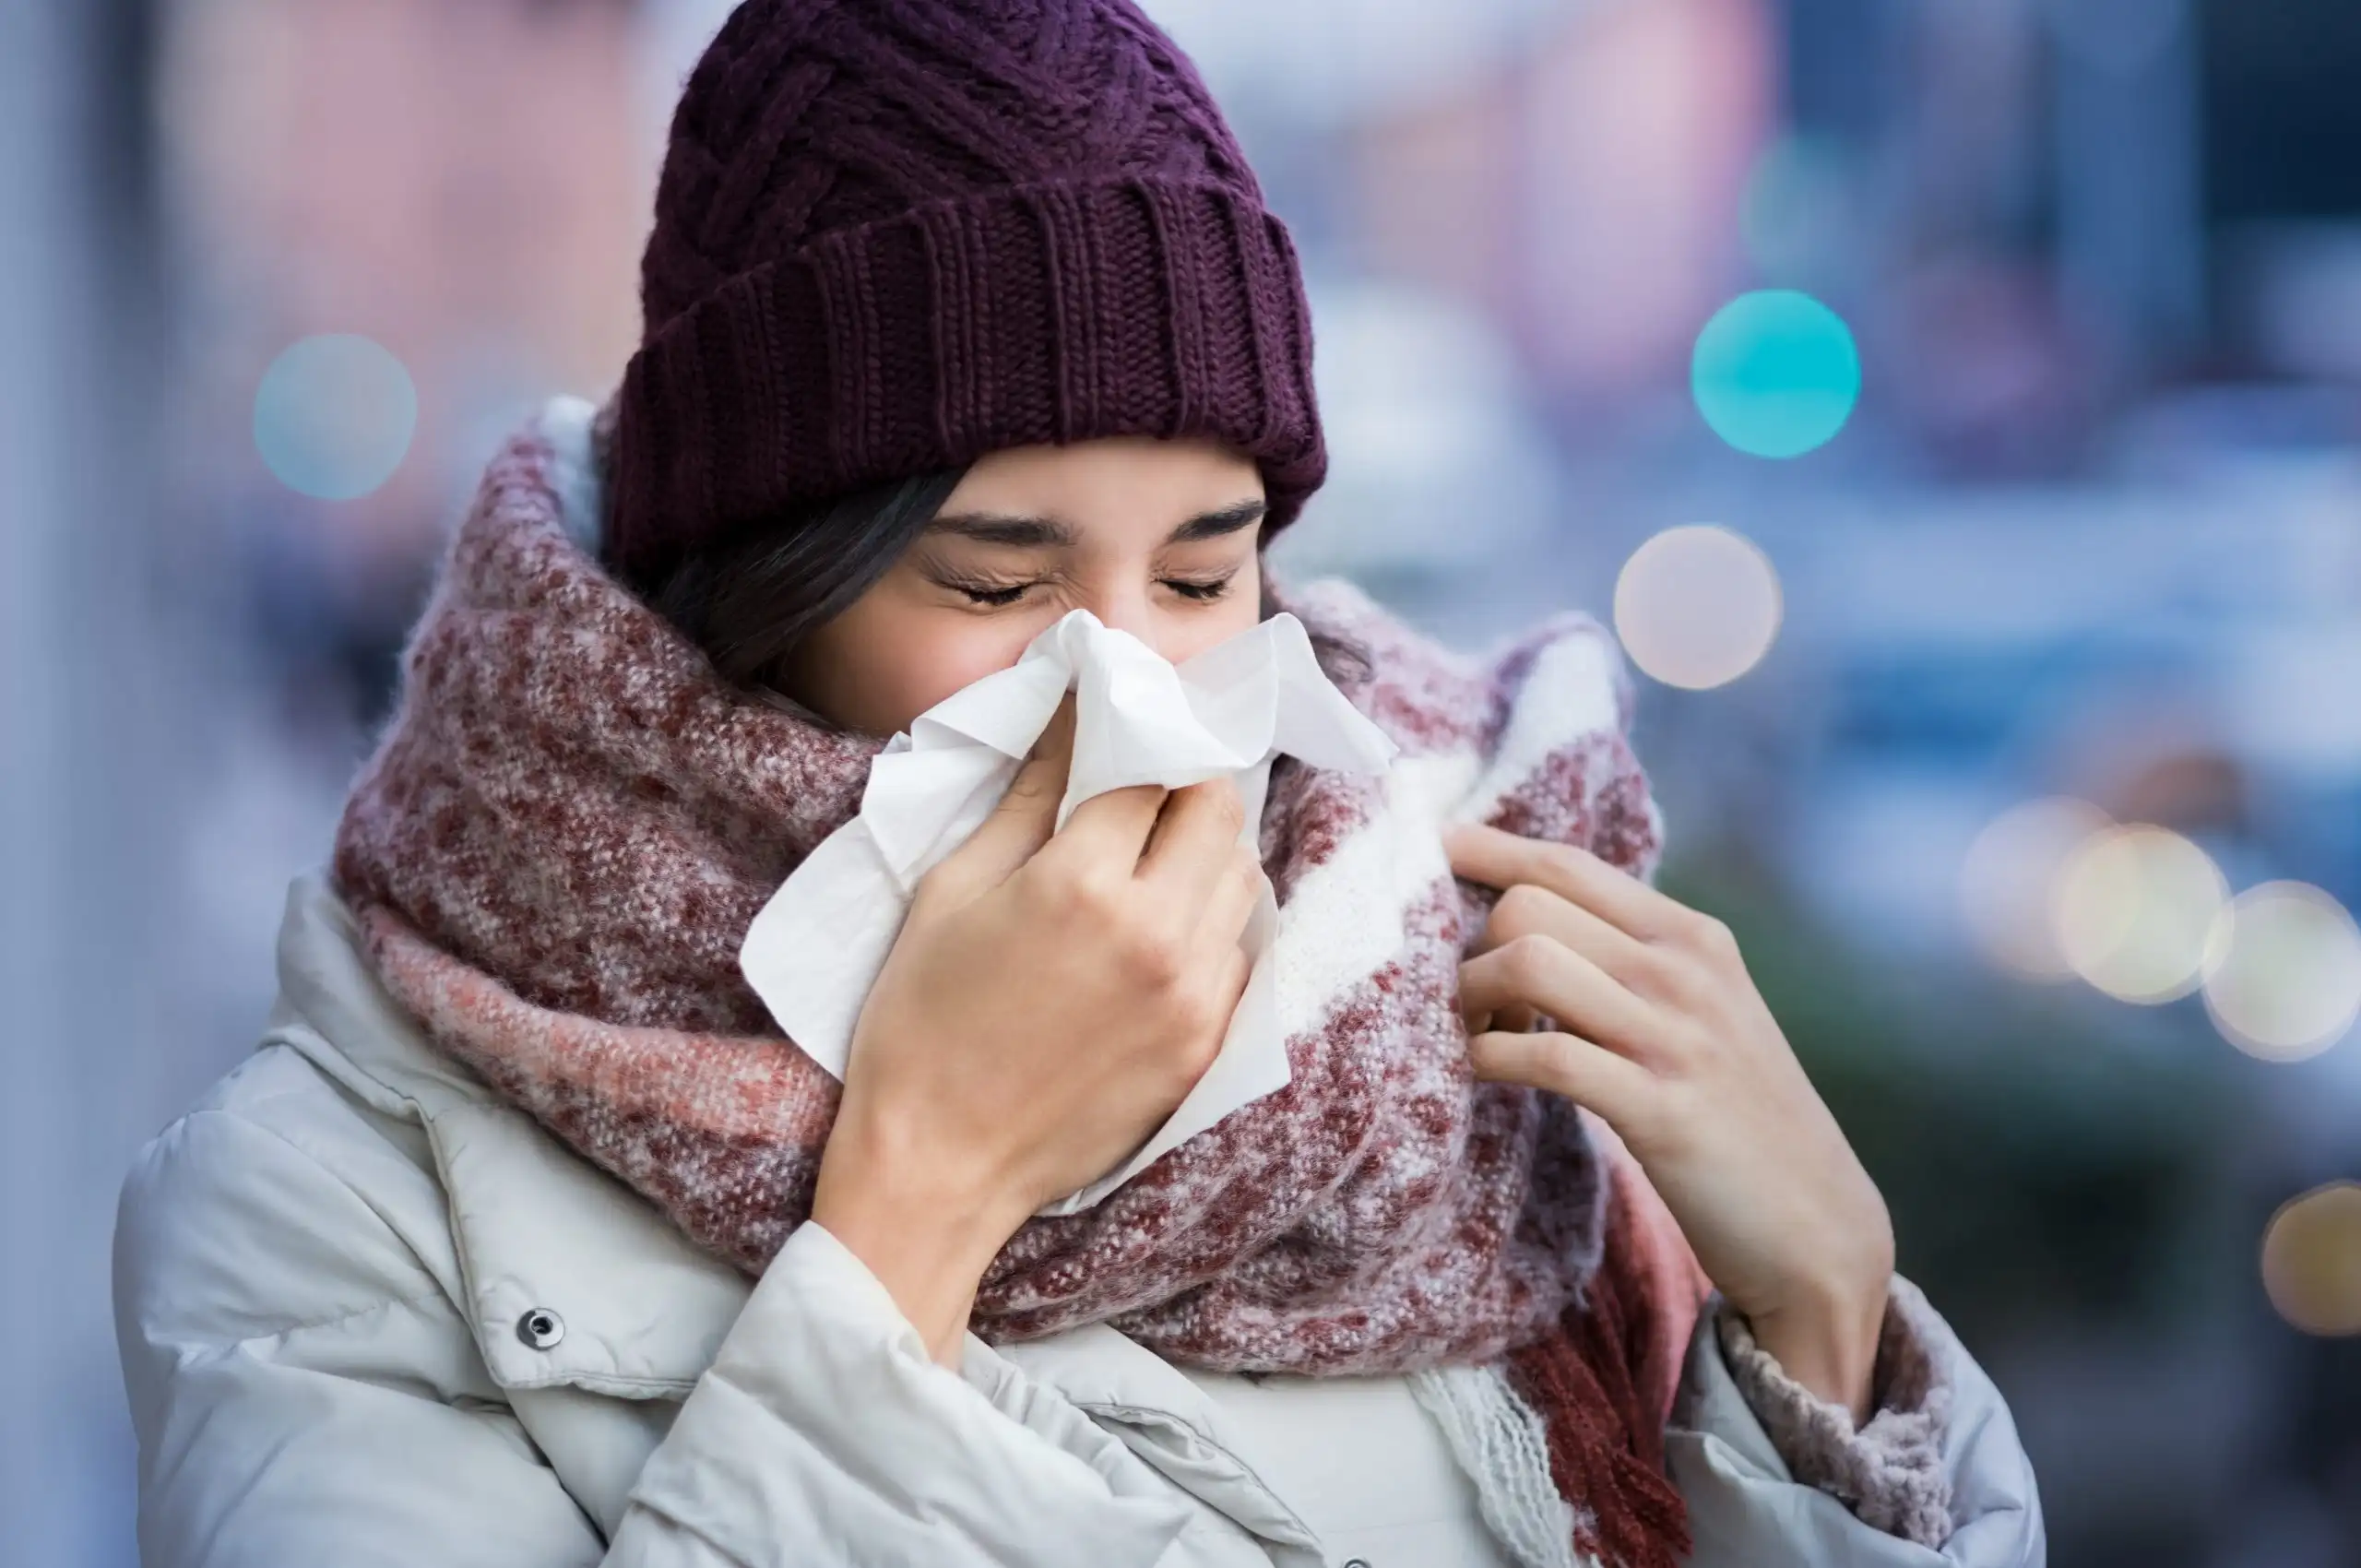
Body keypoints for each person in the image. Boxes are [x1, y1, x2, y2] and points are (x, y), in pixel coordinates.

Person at [112, 4, 2044, 1564]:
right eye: (996, 577)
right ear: (749, 584)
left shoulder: (1442, 989)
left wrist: (1819, 1348)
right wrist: (916, 1209)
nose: (1130, 678)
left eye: (1203, 572)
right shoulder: (330, 1210)